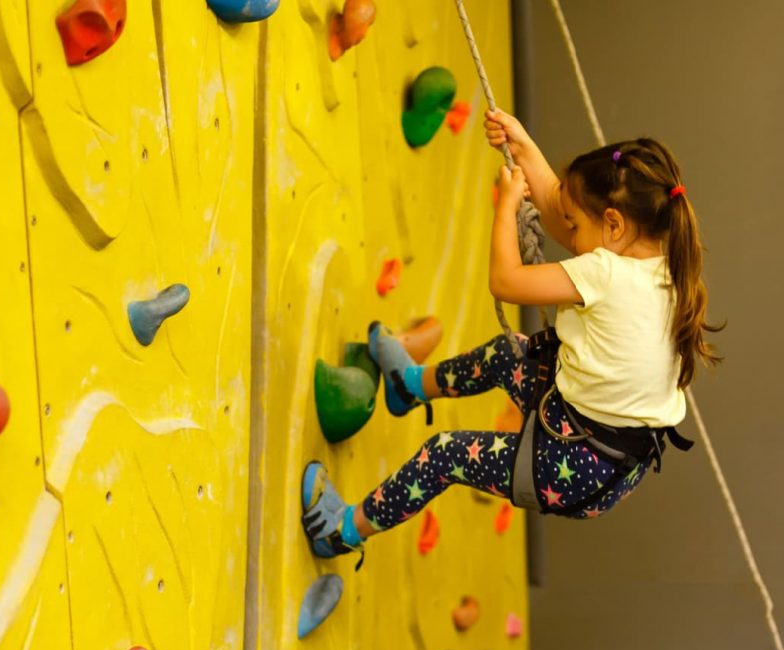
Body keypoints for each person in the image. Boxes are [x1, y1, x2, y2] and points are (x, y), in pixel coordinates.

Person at [301, 109, 722, 564]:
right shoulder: (669, 270)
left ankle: (339, 530)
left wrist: (506, 207)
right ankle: (409, 386)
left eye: (579, 228)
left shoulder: (606, 272)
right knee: (510, 353)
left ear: (615, 225)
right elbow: (564, 217)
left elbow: (506, 281)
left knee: (444, 455)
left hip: (573, 461)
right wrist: (521, 144)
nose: (570, 238)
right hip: (603, 457)